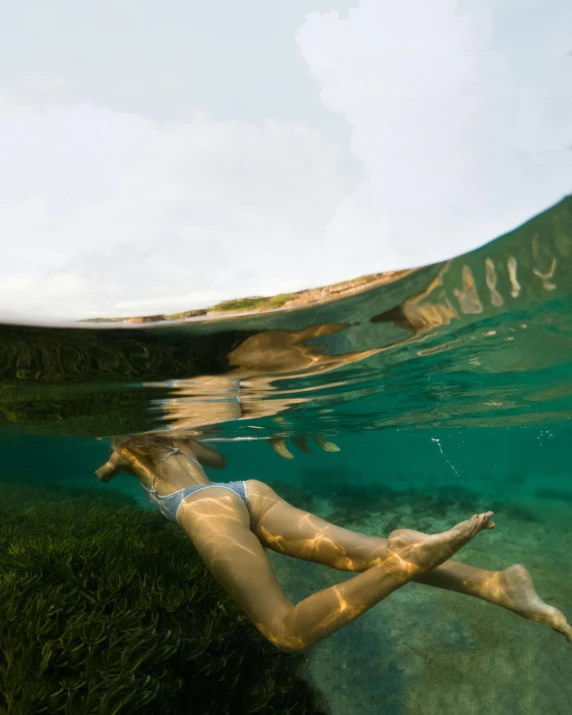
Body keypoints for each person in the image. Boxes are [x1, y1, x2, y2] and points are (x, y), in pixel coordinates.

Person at [96, 433, 572, 653]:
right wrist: (184, 443)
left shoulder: (122, 447)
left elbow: (104, 475)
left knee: (286, 631)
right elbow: (217, 460)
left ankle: (402, 564)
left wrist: (116, 463)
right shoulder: (179, 434)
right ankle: (495, 583)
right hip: (247, 490)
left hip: (199, 507)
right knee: (365, 552)